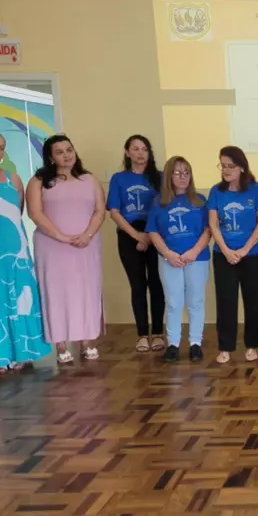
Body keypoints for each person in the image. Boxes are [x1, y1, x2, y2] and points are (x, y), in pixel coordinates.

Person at [0, 130, 52, 374]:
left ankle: (21, 352)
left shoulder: (12, 178)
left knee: (20, 296)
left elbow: (18, 212)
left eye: (2, 147)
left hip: (16, 249)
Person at [28, 135, 106, 363]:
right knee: (56, 292)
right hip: (52, 246)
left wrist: (87, 235)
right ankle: (60, 343)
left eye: (69, 149)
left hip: (86, 244)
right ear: (51, 157)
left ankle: (86, 340)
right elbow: (35, 213)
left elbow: (99, 211)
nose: (66, 155)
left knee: (86, 290)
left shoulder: (89, 179)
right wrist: (61, 236)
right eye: (59, 152)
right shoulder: (39, 181)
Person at [207, 146, 258, 364]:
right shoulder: (216, 191)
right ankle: (225, 347)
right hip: (223, 255)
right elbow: (213, 224)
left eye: (230, 166)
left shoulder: (256, 190)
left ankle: (252, 345)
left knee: (253, 301)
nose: (226, 170)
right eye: (222, 165)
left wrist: (244, 250)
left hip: (254, 255)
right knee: (226, 301)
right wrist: (226, 250)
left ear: (241, 167)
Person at [147, 156, 211, 363]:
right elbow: (153, 231)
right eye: (177, 173)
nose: (182, 177)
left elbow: (208, 229)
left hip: (197, 258)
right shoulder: (159, 202)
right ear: (168, 176)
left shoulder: (199, 201)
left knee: (196, 301)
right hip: (169, 259)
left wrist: (194, 251)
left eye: (186, 172)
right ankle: (173, 344)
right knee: (173, 302)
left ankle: (195, 344)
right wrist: (167, 253)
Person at [107, 134, 165, 353]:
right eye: (136, 149)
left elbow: (165, 207)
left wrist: (148, 235)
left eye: (144, 149)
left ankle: (158, 333)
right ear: (127, 152)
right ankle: (142, 334)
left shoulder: (159, 177)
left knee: (157, 284)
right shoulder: (119, 178)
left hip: (155, 233)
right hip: (129, 234)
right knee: (138, 285)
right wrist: (136, 235)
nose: (140, 153)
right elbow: (114, 211)